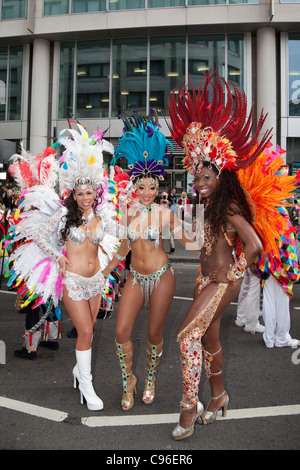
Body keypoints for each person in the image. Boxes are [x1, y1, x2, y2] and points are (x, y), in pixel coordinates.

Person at [167, 72, 298, 440]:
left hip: (223, 280)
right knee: (208, 338)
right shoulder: (209, 207)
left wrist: (235, 273)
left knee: (186, 336)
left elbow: (254, 244)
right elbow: (200, 246)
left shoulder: (228, 208)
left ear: (221, 176)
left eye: (206, 176)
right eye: (196, 177)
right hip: (204, 278)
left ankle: (188, 408)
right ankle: (220, 396)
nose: (199, 182)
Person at [7, 125, 119, 411]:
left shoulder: (101, 217)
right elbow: (43, 237)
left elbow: (112, 243)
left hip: (96, 282)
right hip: (72, 283)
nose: (85, 197)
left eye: (89, 192)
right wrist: (58, 255)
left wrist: (108, 267)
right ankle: (87, 385)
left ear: (96, 192)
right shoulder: (64, 215)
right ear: (73, 194)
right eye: (80, 193)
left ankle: (77, 373)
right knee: (84, 332)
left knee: (89, 330)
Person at [103, 112, 199, 411]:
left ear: (158, 188)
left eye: (152, 188)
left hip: (161, 277)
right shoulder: (128, 211)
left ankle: (151, 379)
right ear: (135, 186)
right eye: (142, 187)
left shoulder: (165, 214)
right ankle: (128, 380)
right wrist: (103, 271)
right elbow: (122, 248)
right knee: (121, 331)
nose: (146, 192)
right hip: (134, 277)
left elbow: (191, 243)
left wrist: (210, 228)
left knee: (154, 334)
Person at [235, 268, 265, 334]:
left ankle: (241, 318)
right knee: (254, 289)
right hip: (256, 261)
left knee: (246, 285)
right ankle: (251, 324)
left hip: (247, 260)